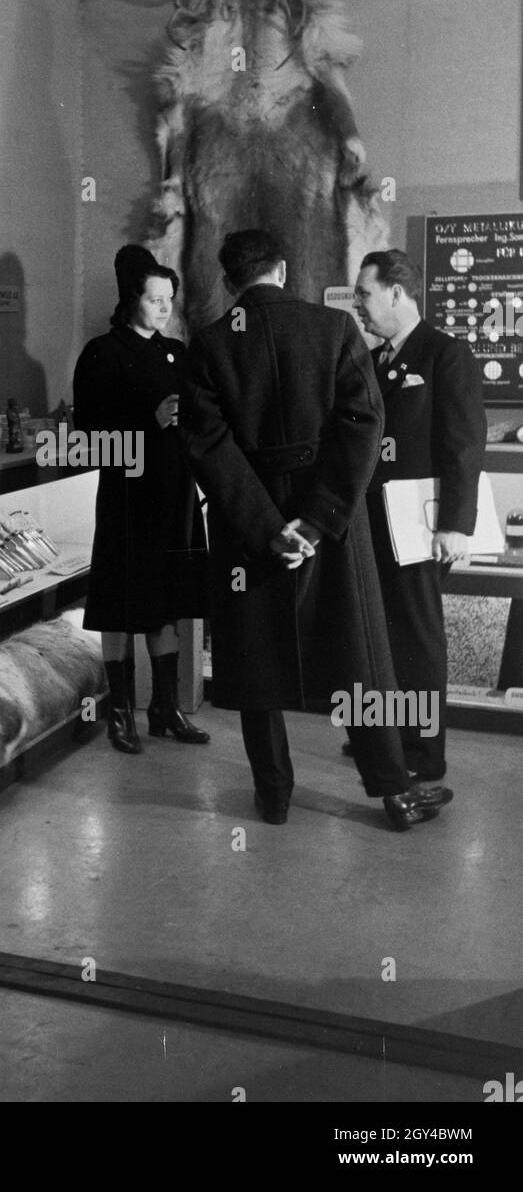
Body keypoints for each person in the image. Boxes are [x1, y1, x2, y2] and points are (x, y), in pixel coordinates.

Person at [180, 229, 452, 830]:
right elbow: (362, 422)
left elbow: (207, 444)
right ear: (282, 269)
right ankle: (393, 794)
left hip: (247, 534)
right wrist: (317, 517)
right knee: (359, 656)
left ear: (230, 282)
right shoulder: (333, 330)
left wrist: (268, 528)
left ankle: (273, 793)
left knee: (255, 660)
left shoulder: (208, 345)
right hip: (330, 523)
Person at [353, 248, 486, 783]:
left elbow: (463, 445)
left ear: (397, 293)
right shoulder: (379, 358)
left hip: (421, 526)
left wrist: (456, 524)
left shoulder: (444, 353)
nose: (358, 305)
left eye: (364, 293)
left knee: (418, 638)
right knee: (385, 635)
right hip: (378, 522)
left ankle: (425, 754)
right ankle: (392, 736)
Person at [73, 244, 209, 754]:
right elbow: (85, 436)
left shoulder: (178, 353)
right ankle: (121, 714)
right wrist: (146, 422)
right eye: (155, 300)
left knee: (166, 605)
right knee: (119, 606)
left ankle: (165, 708)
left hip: (172, 492)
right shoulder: (101, 354)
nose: (165, 308)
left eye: (169, 299)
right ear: (131, 299)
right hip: (127, 496)